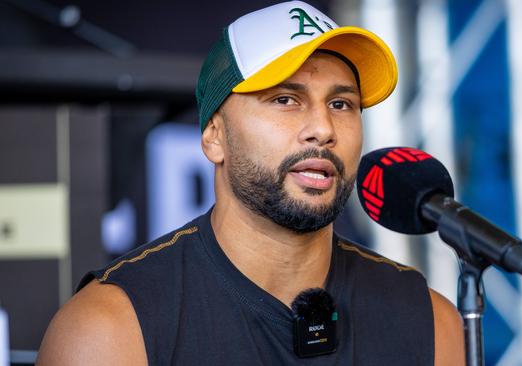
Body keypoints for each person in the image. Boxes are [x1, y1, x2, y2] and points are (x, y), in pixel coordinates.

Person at [37, 1, 464, 365]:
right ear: (214, 137)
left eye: (341, 103)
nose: (322, 128)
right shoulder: (110, 327)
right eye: (284, 100)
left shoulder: (428, 321)